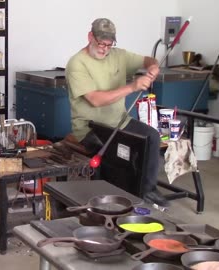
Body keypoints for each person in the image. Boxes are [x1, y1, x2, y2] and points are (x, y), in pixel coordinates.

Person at [65, 18, 169, 207]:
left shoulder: (119, 56)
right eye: (100, 43)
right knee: (120, 156)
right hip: (91, 128)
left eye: (109, 44)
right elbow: (95, 100)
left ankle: (147, 191)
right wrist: (132, 87)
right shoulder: (77, 63)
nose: (104, 48)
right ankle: (116, 202)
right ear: (90, 37)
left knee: (152, 137)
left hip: (120, 121)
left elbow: (148, 60)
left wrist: (153, 66)